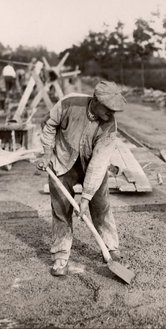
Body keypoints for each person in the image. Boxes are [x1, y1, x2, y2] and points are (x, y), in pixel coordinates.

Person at [37, 81, 126, 276]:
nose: (112, 114)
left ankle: (110, 248)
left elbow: (100, 162)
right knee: (61, 209)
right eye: (108, 109)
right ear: (95, 101)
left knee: (101, 206)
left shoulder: (109, 125)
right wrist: (46, 154)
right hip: (63, 161)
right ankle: (60, 253)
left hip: (91, 165)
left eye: (115, 110)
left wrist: (85, 197)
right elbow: (50, 125)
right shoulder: (69, 104)